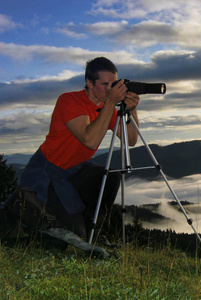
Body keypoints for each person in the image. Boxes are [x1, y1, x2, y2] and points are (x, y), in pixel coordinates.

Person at [19, 57, 140, 240]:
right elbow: (89, 140)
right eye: (105, 84)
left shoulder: (106, 107)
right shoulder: (69, 101)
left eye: (112, 83)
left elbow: (131, 139)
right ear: (89, 82)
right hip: (46, 173)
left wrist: (131, 110)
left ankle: (94, 229)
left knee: (111, 177)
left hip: (75, 169)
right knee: (70, 238)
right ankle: (72, 229)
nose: (110, 89)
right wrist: (110, 104)